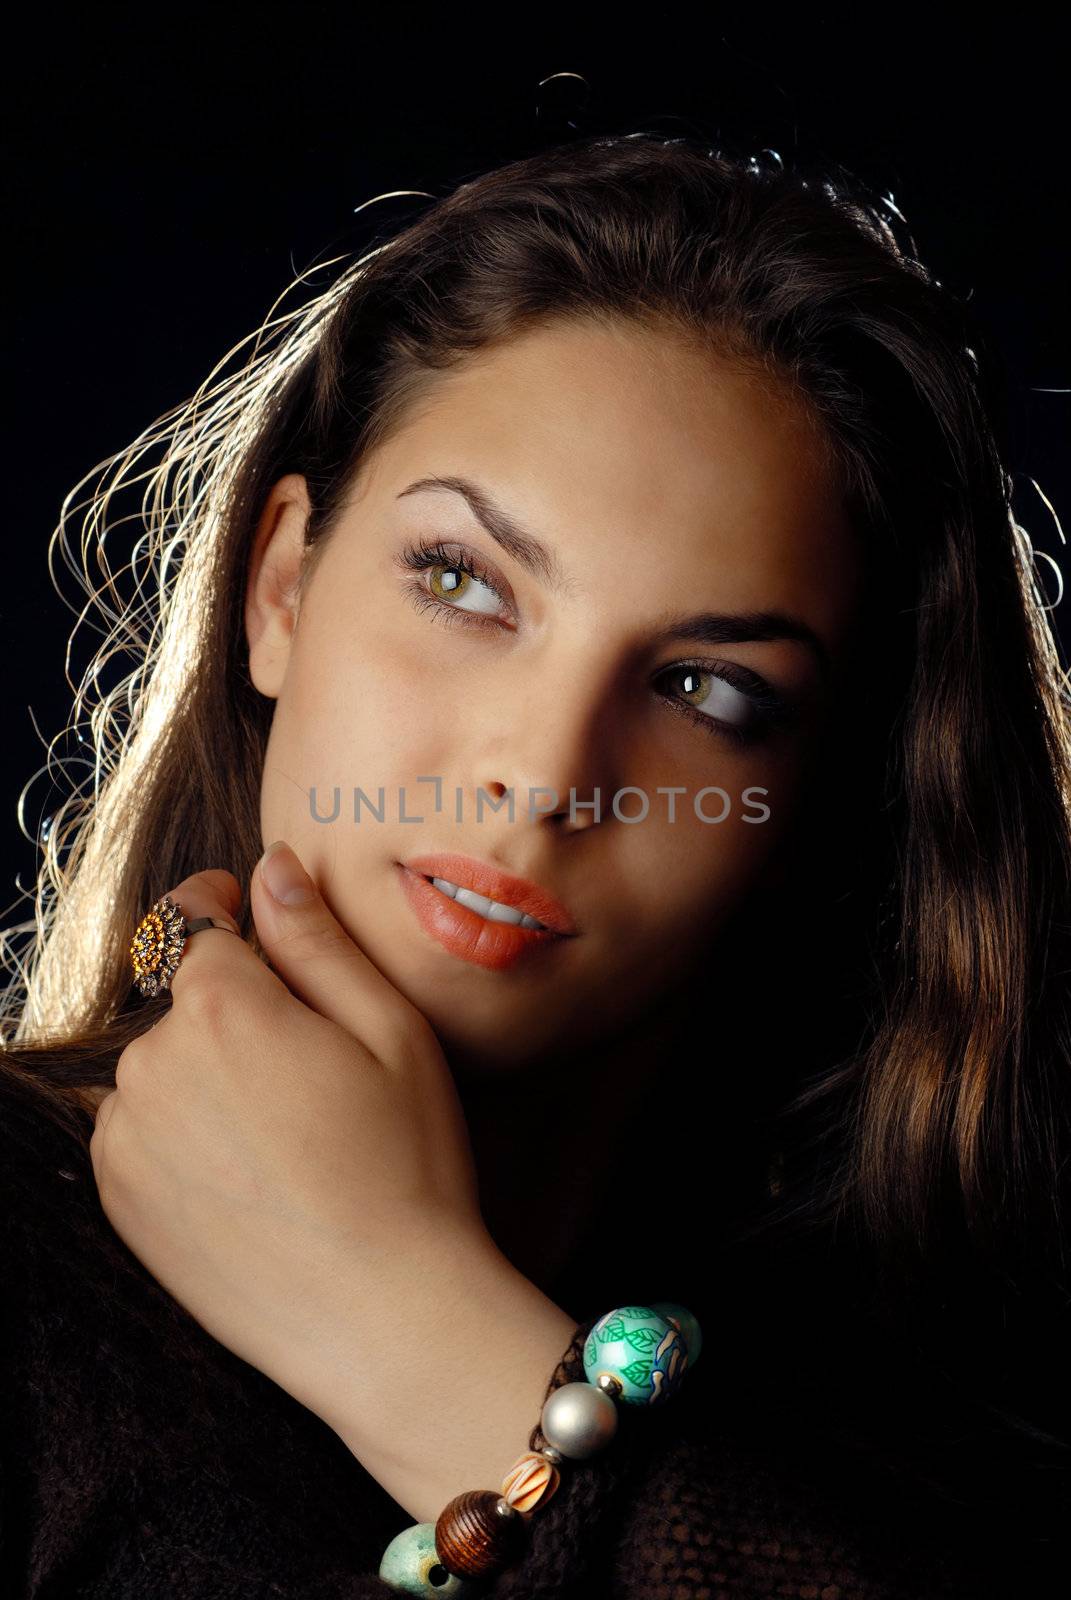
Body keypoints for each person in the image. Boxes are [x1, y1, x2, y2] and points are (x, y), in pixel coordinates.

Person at [1, 129, 1067, 1598]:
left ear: (825, 803)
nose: (547, 776)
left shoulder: (963, 1431)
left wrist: (407, 1329)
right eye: (463, 583)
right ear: (282, 587)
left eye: (709, 689)